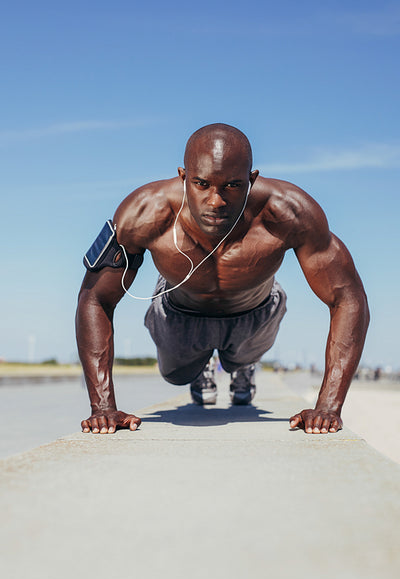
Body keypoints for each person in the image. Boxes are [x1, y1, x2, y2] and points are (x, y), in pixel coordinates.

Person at [76, 123, 369, 435]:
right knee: (176, 374)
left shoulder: (290, 212)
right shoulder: (145, 213)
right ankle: (203, 368)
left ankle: (243, 368)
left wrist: (327, 407)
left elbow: (348, 298)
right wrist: (103, 407)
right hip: (179, 313)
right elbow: (95, 297)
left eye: (232, 186)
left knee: (241, 357)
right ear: (183, 177)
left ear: (251, 180)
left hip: (254, 310)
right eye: (202, 184)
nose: (216, 201)